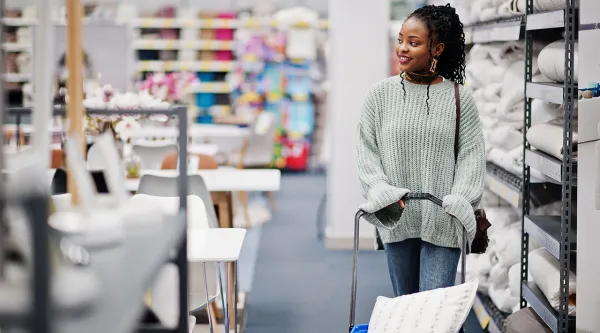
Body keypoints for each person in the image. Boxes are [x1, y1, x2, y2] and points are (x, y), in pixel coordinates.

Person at [356, 4, 485, 297]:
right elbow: (366, 151)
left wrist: (460, 199)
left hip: (443, 218)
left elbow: (471, 157)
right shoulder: (379, 95)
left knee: (434, 312)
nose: (402, 48)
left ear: (436, 49)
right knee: (405, 306)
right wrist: (379, 191)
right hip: (396, 217)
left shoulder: (459, 99)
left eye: (413, 43)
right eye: (400, 40)